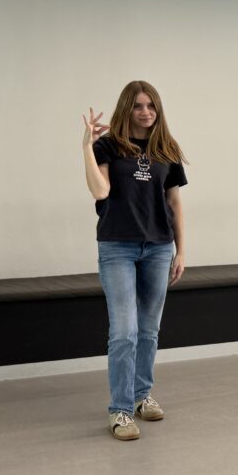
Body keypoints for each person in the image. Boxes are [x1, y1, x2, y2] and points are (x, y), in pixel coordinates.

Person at [82, 81, 187, 440]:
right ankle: (120, 410)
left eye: (151, 105)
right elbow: (100, 191)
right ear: (126, 108)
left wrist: (181, 250)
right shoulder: (107, 146)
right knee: (124, 332)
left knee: (148, 330)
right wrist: (86, 146)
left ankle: (142, 396)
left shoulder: (167, 149)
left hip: (159, 248)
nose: (145, 112)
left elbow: (174, 202)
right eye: (138, 105)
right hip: (118, 248)